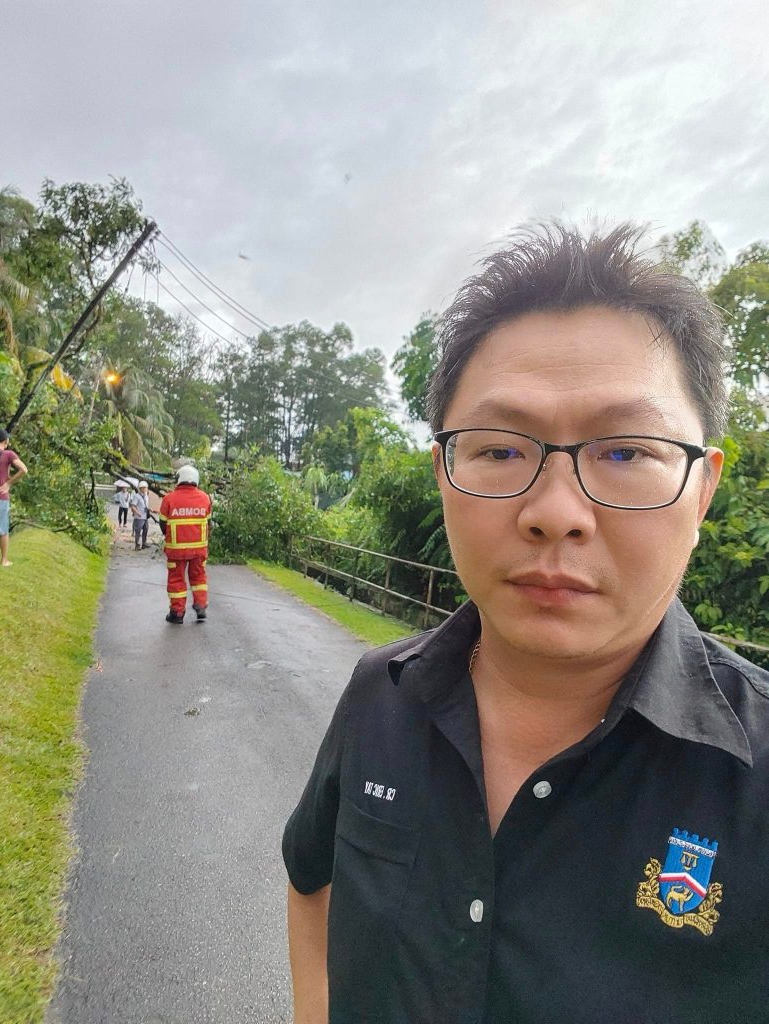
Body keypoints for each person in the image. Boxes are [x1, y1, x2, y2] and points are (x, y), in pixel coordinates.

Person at [282, 223, 769, 1024]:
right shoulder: (380, 695)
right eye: (500, 450)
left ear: (701, 490)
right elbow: (310, 881)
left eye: (625, 451)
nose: (553, 514)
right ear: (443, 472)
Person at [158, 464, 212, 624]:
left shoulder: (169, 499)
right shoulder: (205, 498)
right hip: (199, 550)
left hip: (176, 551)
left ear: (179, 479)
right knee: (199, 577)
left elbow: (163, 524)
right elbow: (209, 524)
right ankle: (201, 606)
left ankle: (177, 612)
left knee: (176, 580)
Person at [0, 427, 28, 567]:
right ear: (6, 441)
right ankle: (4, 560)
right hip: (1, 496)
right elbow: (24, 469)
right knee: (3, 529)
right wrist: (9, 483)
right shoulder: (8, 454)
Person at [130, 481, 151, 551]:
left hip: (145, 517)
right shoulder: (137, 496)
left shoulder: (146, 496)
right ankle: (137, 545)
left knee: (146, 529)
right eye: (144, 488)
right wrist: (137, 513)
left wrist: (150, 510)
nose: (146, 489)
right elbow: (133, 506)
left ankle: (144, 544)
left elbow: (146, 506)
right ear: (141, 488)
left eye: (146, 488)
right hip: (139, 517)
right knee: (138, 531)